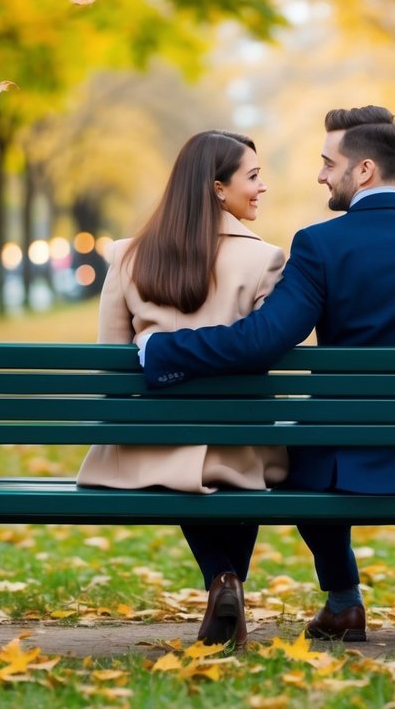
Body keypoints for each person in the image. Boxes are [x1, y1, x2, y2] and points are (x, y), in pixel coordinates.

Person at [140, 106, 395, 643]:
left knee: (294, 460)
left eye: (327, 162)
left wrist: (164, 350)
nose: (319, 175)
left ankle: (343, 599)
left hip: (345, 460)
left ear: (362, 171)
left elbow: (262, 339)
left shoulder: (320, 245)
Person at [77, 129, 287, 647]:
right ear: (219, 189)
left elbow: (112, 365)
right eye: (253, 177)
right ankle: (229, 580)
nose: (262, 187)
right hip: (242, 445)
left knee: (174, 463)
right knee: (238, 468)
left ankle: (220, 579)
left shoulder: (128, 256)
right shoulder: (266, 260)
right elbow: (264, 353)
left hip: (153, 442)